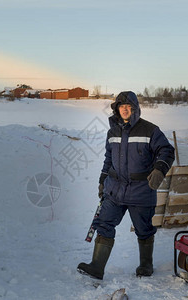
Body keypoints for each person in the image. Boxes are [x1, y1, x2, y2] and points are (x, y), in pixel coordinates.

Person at [77, 91, 175, 280]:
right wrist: (102, 181)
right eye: (121, 107)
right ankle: (97, 267)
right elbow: (108, 159)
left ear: (135, 109)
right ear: (117, 109)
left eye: (128, 107)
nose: (124, 110)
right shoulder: (112, 132)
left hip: (141, 190)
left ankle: (146, 265)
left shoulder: (150, 130)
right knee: (104, 224)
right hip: (114, 189)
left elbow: (166, 150)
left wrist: (159, 170)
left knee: (144, 229)